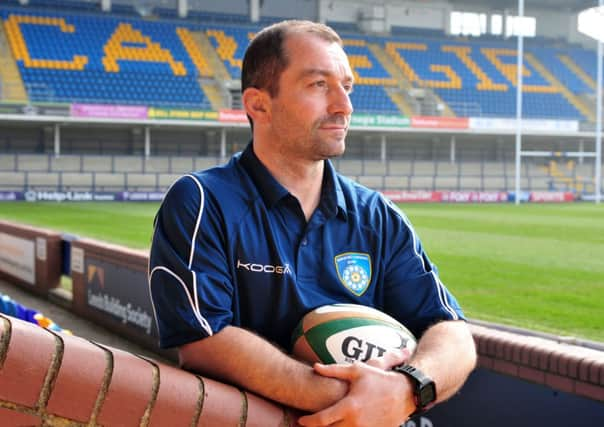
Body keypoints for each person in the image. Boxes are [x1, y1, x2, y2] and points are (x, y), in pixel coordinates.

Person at [149, 20, 476, 426]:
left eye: (348, 86)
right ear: (258, 104)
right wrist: (354, 399)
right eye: (319, 85)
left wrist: (408, 388)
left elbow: (453, 334)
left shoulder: (377, 215)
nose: (344, 105)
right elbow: (203, 341)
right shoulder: (201, 201)